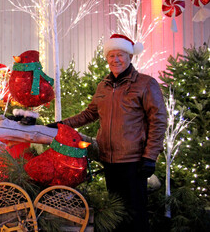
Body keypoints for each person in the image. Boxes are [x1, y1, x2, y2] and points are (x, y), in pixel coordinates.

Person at [47, 34, 167, 231]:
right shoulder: (104, 85)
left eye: (120, 54)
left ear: (130, 56)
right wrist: (60, 124)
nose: (116, 59)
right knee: (116, 213)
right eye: (111, 56)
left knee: (136, 214)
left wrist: (150, 157)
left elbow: (158, 121)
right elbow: (90, 113)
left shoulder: (145, 84)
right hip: (109, 161)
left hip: (134, 161)